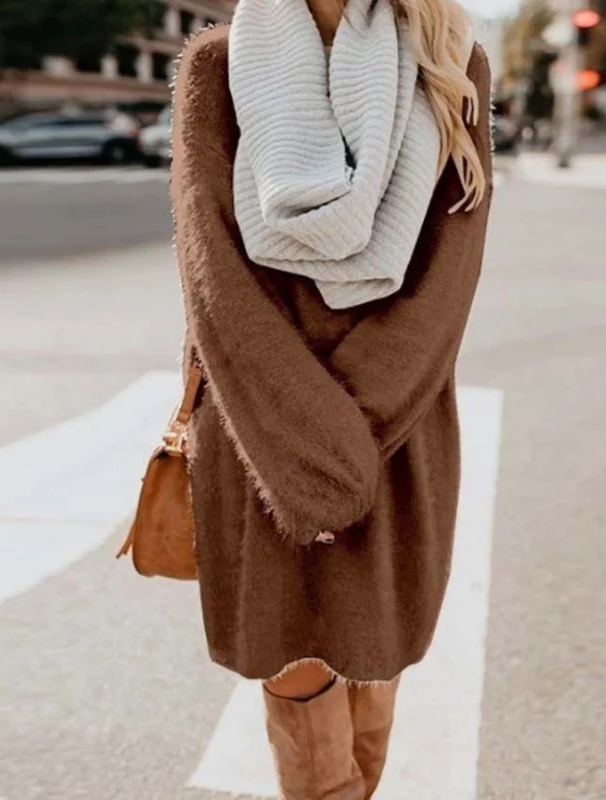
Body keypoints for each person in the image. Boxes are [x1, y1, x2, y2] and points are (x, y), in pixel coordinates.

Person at [170, 0, 493, 795]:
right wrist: (306, 440)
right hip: (261, 421)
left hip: (398, 422)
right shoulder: (219, 65)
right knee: (295, 667)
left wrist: (356, 430)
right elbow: (209, 264)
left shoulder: (450, 64)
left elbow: (450, 277)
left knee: (374, 662)